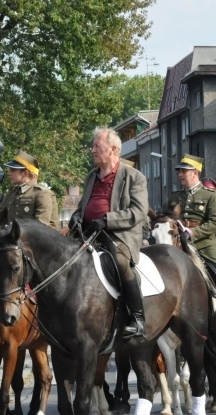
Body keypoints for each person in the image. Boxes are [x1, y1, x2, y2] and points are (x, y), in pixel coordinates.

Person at [69, 127, 148, 338]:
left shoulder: (134, 177)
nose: (92, 150)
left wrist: (106, 221)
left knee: (120, 261)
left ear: (113, 149)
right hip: (88, 234)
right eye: (93, 145)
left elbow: (138, 212)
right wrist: (77, 217)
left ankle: (138, 318)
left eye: (97, 146)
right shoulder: (91, 177)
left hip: (118, 236)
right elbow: (83, 206)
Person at [165, 154, 216, 331]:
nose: (180, 175)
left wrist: (193, 232)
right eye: (179, 171)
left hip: (203, 244)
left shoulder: (210, 196)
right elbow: (166, 217)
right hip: (178, 244)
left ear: (195, 173)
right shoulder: (175, 197)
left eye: (184, 171)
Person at [0, 150, 54, 232]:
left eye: (13, 170)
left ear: (25, 173)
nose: (9, 173)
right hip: (11, 242)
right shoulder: (12, 193)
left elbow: (41, 228)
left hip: (34, 243)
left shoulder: (41, 193)